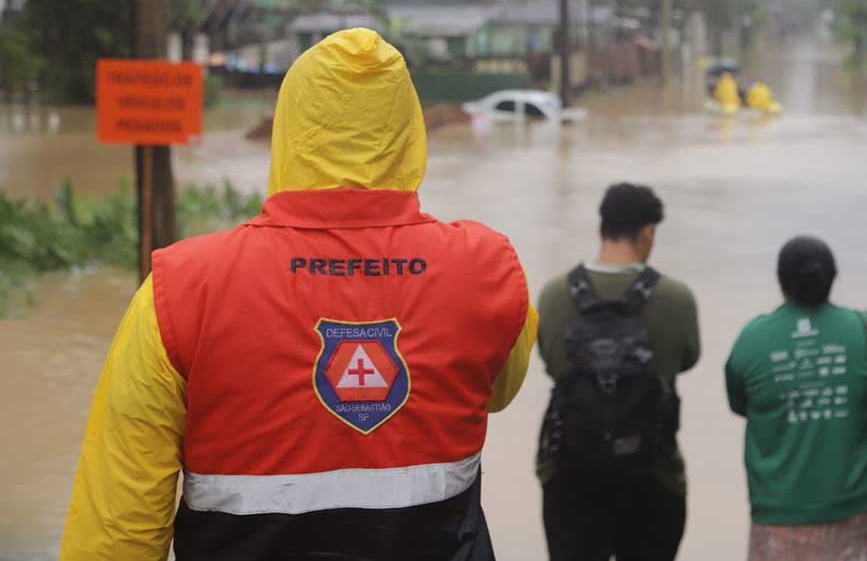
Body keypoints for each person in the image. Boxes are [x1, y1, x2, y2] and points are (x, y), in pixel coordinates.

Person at [59, 29, 539, 561]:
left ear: (289, 129)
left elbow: (117, 524)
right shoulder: (486, 270)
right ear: (409, 133)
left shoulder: (181, 290)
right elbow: (498, 391)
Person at [535, 182, 700, 561]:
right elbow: (686, 359)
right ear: (648, 232)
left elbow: (551, 363)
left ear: (601, 228)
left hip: (570, 474)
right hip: (653, 476)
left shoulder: (554, 294)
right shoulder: (677, 298)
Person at [725, 236, 867, 561]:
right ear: (832, 278)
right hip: (861, 509)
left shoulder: (752, 340)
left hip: (781, 517)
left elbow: (740, 405)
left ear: (781, 281)